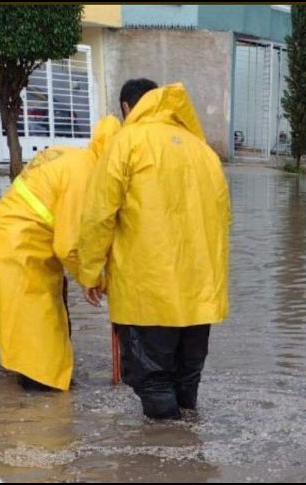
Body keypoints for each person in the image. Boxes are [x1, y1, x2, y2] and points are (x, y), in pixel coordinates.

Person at [78, 79, 231, 420]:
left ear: (127, 109)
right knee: (187, 381)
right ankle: (194, 459)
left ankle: (166, 460)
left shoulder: (127, 142)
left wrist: (89, 271)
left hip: (147, 293)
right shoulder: (203, 151)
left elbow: (98, 214)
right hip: (199, 295)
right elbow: (224, 221)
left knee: (154, 384)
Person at [0, 116, 121, 391]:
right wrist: (94, 279)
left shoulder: (72, 155)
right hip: (21, 252)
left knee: (26, 328)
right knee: (42, 365)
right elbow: (70, 243)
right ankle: (39, 420)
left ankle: (12, 399)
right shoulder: (86, 173)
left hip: (2, 240)